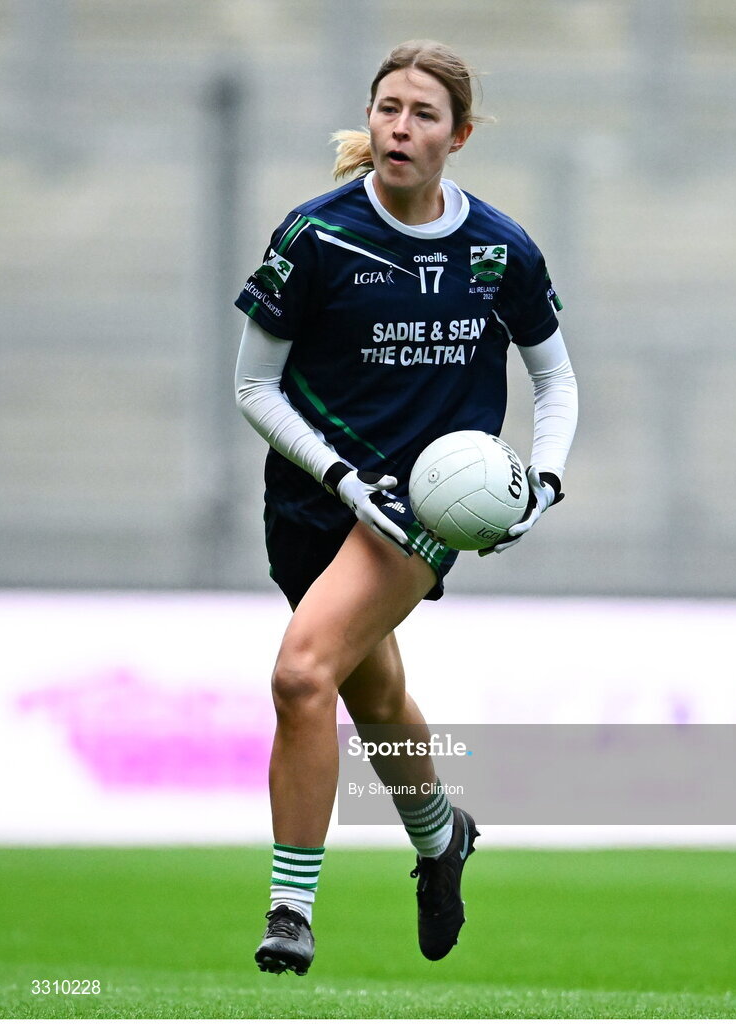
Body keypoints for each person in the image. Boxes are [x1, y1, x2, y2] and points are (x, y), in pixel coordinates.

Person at [234, 39, 578, 976]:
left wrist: (541, 484)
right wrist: (341, 478)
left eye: (424, 114)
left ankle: (291, 908)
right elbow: (254, 388)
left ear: (457, 136)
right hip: (314, 500)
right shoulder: (316, 236)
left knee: (302, 675)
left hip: (420, 513)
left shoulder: (498, 249)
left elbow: (556, 381)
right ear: (372, 118)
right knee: (374, 693)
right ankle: (441, 838)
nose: (400, 126)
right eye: (389, 107)